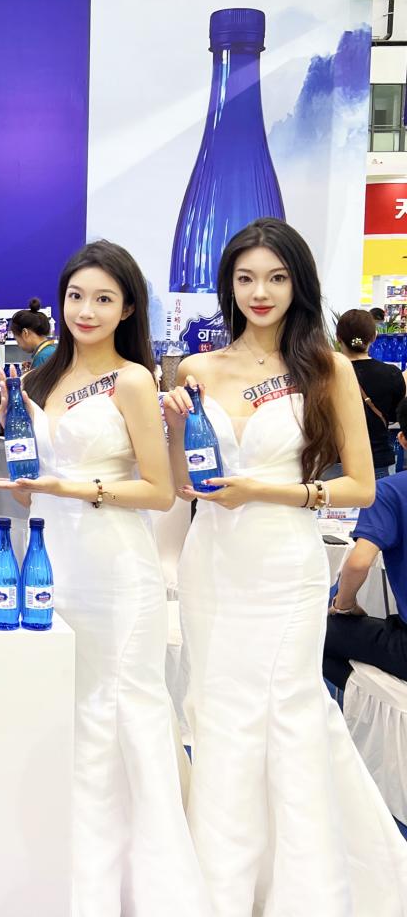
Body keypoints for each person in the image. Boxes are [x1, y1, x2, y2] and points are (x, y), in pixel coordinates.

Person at [162, 217, 407, 915]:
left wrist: (269, 492)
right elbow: (186, 485)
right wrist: (174, 427)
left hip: (286, 563)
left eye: (275, 277)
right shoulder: (198, 370)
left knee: (288, 709)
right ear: (228, 285)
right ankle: (224, 884)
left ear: (298, 283)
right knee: (219, 710)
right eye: (246, 278)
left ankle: (305, 889)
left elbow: (361, 486)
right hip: (214, 562)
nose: (260, 292)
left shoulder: (326, 369)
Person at [0, 241, 207, 915]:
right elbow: (35, 474)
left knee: (119, 708)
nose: (86, 310)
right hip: (51, 560)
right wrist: (31, 487)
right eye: (76, 296)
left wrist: (73, 487)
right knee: (66, 705)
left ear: (128, 308)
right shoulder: (38, 379)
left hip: (115, 568)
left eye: (104, 298)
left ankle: (138, 885)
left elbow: (160, 491)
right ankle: (62, 867)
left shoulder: (132, 380)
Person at [324, 399, 407, 690]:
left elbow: (359, 563)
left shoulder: (390, 491)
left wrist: (344, 605)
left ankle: (365, 707)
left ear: (402, 440)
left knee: (314, 633)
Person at [330, 308, 403, 480]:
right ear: (374, 336)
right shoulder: (391, 373)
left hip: (333, 462)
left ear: (338, 337)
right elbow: (395, 415)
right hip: (376, 460)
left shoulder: (323, 374)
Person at [10, 298, 58, 370]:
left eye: (17, 339)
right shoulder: (51, 351)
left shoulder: (41, 357)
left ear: (25, 333)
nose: (18, 345)